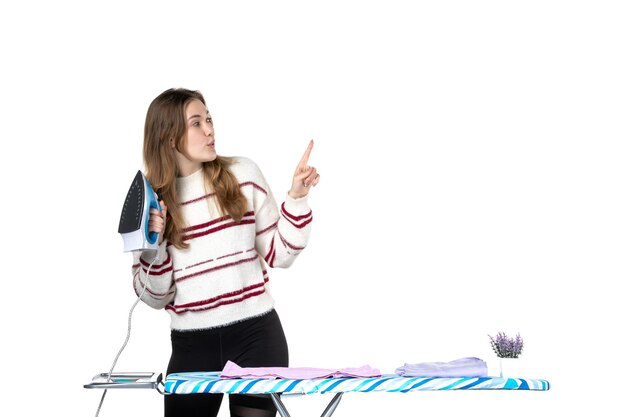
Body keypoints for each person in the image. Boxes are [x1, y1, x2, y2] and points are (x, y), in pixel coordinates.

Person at [132, 87, 320, 417]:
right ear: (170, 137)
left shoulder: (242, 176)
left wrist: (297, 197)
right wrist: (154, 245)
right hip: (190, 346)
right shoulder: (150, 202)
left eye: (209, 119)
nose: (209, 130)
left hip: (256, 338)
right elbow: (155, 297)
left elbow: (280, 254)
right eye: (196, 123)